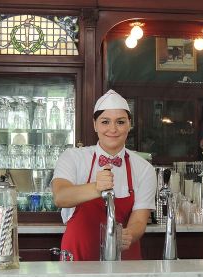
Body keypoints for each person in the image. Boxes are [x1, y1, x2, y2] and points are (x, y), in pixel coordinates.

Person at [52, 89, 157, 261]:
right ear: (95, 124)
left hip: (124, 261)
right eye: (105, 122)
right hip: (78, 259)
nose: (113, 129)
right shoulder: (73, 157)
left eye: (120, 122)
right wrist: (95, 187)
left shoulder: (144, 168)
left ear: (130, 124)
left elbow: (139, 218)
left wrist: (129, 234)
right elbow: (60, 197)